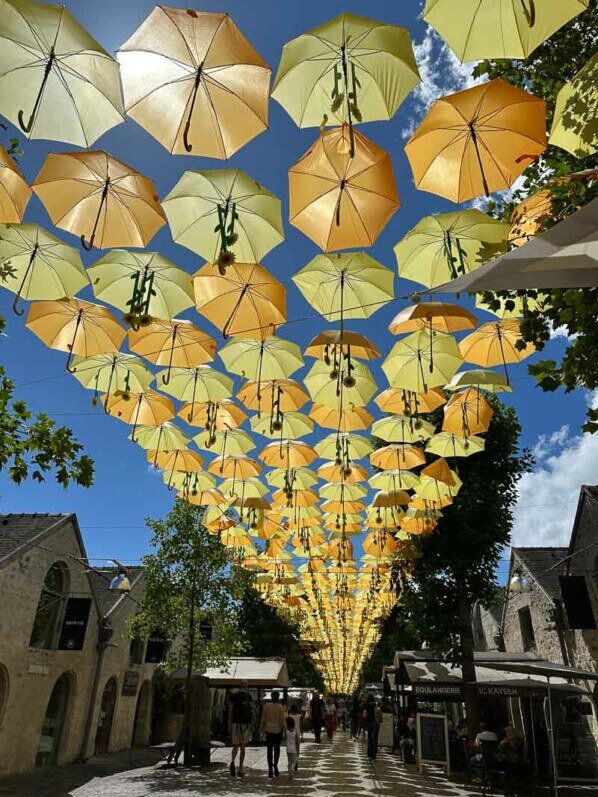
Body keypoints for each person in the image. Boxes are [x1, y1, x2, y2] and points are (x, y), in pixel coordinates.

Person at [228, 680, 252, 777]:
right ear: (246, 687)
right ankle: (241, 768)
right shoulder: (249, 697)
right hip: (245, 725)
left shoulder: (234, 697)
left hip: (236, 724)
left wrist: (229, 723)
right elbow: (251, 712)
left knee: (235, 746)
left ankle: (233, 761)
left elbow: (230, 710)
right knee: (242, 748)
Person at [261, 690, 286, 778]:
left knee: (269, 750)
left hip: (268, 730)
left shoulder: (266, 706)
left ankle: (270, 770)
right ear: (278, 698)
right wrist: (284, 730)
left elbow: (263, 719)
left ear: (271, 697)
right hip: (277, 731)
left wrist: (262, 729)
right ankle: (275, 764)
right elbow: (282, 721)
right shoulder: (280, 707)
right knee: (277, 749)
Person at [364, 694, 381, 761]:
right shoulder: (375, 704)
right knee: (375, 738)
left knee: (370, 738)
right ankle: (374, 754)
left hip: (369, 722)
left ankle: (369, 753)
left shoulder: (366, 705)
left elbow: (364, 714)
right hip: (375, 723)